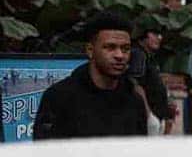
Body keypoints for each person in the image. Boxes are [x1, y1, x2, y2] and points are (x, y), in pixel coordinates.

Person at [34, 12, 149, 140]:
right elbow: (45, 149)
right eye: (110, 48)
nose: (119, 55)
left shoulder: (134, 101)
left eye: (125, 49)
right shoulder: (59, 97)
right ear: (90, 50)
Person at [128, 26, 176, 134]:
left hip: (157, 116)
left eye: (160, 35)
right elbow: (135, 84)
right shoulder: (138, 54)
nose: (159, 38)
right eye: (154, 34)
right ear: (143, 35)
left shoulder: (149, 57)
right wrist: (149, 115)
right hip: (147, 117)